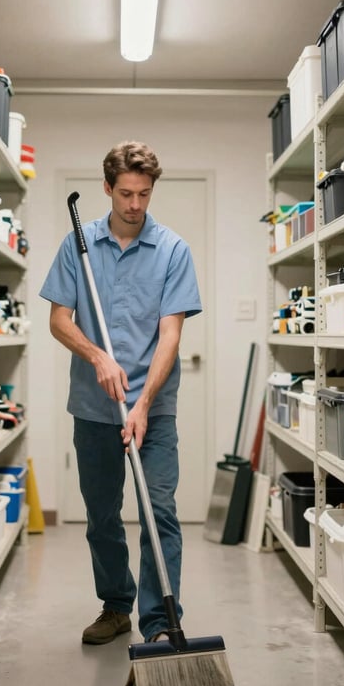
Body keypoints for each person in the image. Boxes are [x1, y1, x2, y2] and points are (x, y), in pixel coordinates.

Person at [39, 140, 202, 645]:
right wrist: (98, 356)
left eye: (145, 194)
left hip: (152, 409)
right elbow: (58, 321)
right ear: (107, 188)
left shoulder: (173, 250)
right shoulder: (79, 245)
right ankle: (116, 606)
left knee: (160, 511)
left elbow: (170, 334)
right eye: (126, 193)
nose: (134, 205)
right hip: (93, 409)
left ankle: (159, 622)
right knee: (102, 517)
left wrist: (145, 403)